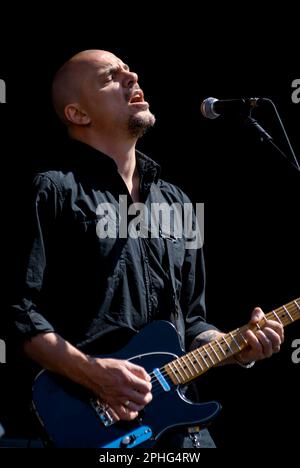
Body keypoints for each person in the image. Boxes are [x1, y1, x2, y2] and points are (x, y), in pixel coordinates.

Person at [9, 50, 284, 448]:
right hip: (84, 425)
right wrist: (93, 373)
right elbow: (17, 311)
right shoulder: (51, 191)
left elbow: (191, 323)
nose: (132, 75)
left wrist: (237, 346)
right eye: (110, 76)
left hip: (178, 430)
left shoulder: (177, 202)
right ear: (78, 114)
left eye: (129, 70)